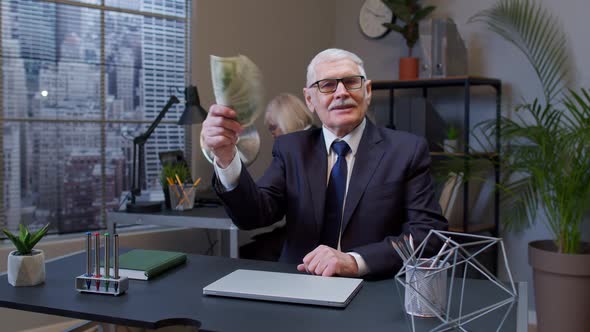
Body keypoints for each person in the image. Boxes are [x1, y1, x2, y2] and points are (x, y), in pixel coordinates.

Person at [200, 48, 447, 279]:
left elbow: (427, 234)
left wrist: (354, 261)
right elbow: (254, 215)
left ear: (368, 91)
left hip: (371, 288)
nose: (341, 93)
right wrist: (226, 158)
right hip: (297, 284)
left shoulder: (406, 151)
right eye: (327, 85)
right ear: (309, 99)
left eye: (351, 82)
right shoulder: (291, 149)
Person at [241, 93, 315, 261]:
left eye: (273, 128)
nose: (272, 134)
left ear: (286, 120)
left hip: (307, 238)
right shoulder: (297, 146)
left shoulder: (297, 147)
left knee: (248, 251)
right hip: (299, 230)